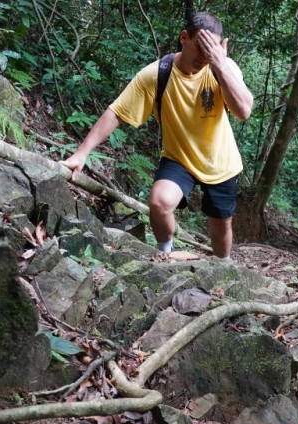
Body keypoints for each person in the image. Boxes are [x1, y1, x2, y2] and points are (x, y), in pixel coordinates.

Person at [61, 12, 253, 259]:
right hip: (180, 158)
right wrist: (82, 153)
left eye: (211, 50)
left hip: (222, 162)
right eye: (200, 47)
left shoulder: (222, 69)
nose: (205, 57)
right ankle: (164, 255)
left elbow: (244, 111)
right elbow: (117, 112)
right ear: (184, 38)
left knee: (221, 223)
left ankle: (222, 269)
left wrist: (221, 65)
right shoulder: (157, 74)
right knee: (159, 203)